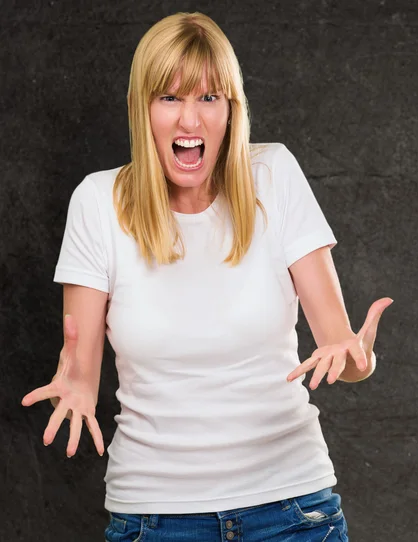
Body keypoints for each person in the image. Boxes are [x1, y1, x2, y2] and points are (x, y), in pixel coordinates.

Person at [21, 11, 392, 542]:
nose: (189, 121)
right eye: (169, 98)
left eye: (209, 98)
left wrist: (361, 359)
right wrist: (74, 387)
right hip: (154, 519)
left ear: (231, 110)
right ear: (143, 108)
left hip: (292, 510)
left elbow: (341, 354)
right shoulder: (98, 203)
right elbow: (77, 377)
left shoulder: (275, 176)